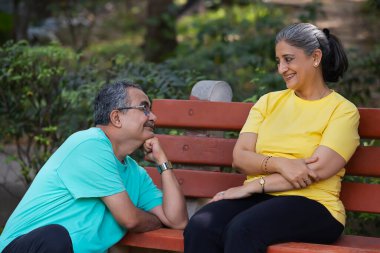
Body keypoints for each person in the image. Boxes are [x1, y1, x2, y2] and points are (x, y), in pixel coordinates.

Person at [184, 23, 360, 253]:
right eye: (278, 61)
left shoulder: (342, 111)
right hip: (260, 200)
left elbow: (314, 171)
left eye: (288, 59)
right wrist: (280, 164)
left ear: (315, 57)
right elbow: (240, 157)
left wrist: (255, 185)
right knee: (200, 226)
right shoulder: (268, 102)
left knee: (242, 229)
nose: (282, 68)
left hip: (315, 205)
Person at [0, 81, 188, 253]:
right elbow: (129, 218)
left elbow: (177, 221)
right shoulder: (89, 144)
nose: (153, 116)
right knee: (55, 236)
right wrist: (156, 221)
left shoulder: (135, 173)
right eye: (144, 108)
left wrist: (163, 162)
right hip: (23, 247)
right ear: (116, 117)